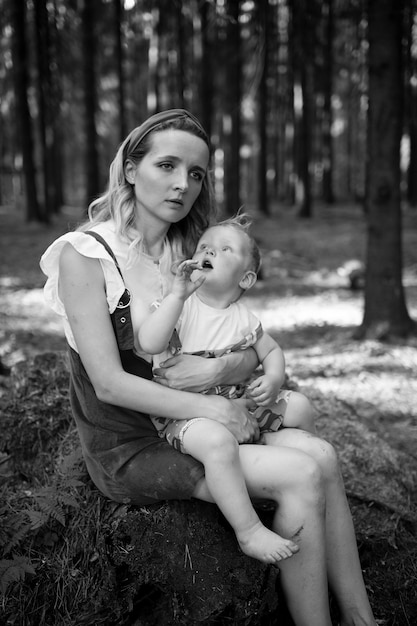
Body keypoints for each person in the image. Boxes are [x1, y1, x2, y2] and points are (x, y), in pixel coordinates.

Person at [40, 108, 377, 626]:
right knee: (301, 473)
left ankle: (360, 617)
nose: (182, 185)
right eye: (167, 166)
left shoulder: (191, 247)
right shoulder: (86, 255)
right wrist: (214, 409)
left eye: (195, 174)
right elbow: (108, 383)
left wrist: (226, 374)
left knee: (324, 456)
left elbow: (238, 337)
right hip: (133, 439)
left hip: (205, 416)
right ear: (131, 168)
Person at [139, 215, 316, 564]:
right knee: (216, 443)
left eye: (224, 249)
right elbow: (149, 341)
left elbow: (271, 351)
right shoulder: (182, 305)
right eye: (204, 246)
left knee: (300, 406)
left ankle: (295, 451)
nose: (209, 251)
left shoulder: (244, 317)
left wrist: (274, 378)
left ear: (245, 278)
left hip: (232, 400)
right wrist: (176, 294)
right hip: (182, 411)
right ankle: (249, 530)